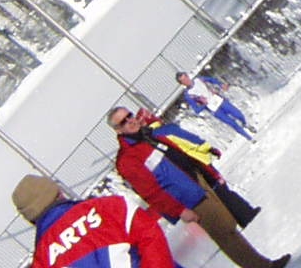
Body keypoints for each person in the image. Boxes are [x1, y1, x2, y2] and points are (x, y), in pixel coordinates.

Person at [107, 106, 289, 268]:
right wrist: (179, 211)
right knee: (225, 233)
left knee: (228, 225)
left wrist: (205, 172)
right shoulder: (127, 160)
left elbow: (180, 153)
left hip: (198, 182)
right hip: (188, 198)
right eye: (123, 122)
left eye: (129, 115)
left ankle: (262, 264)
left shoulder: (148, 135)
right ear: (118, 130)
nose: (130, 121)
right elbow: (151, 193)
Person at [12, 173, 178, 268]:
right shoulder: (108, 207)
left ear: (31, 219)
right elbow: (150, 236)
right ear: (59, 193)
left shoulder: (42, 261)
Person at [175, 71, 255, 141]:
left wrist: (221, 85)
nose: (186, 80)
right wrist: (204, 104)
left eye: (186, 78)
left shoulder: (199, 79)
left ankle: (245, 124)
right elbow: (196, 110)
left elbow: (212, 80)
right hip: (214, 109)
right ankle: (249, 137)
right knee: (231, 123)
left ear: (188, 76)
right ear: (182, 84)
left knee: (238, 114)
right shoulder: (188, 94)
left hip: (219, 100)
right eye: (183, 81)